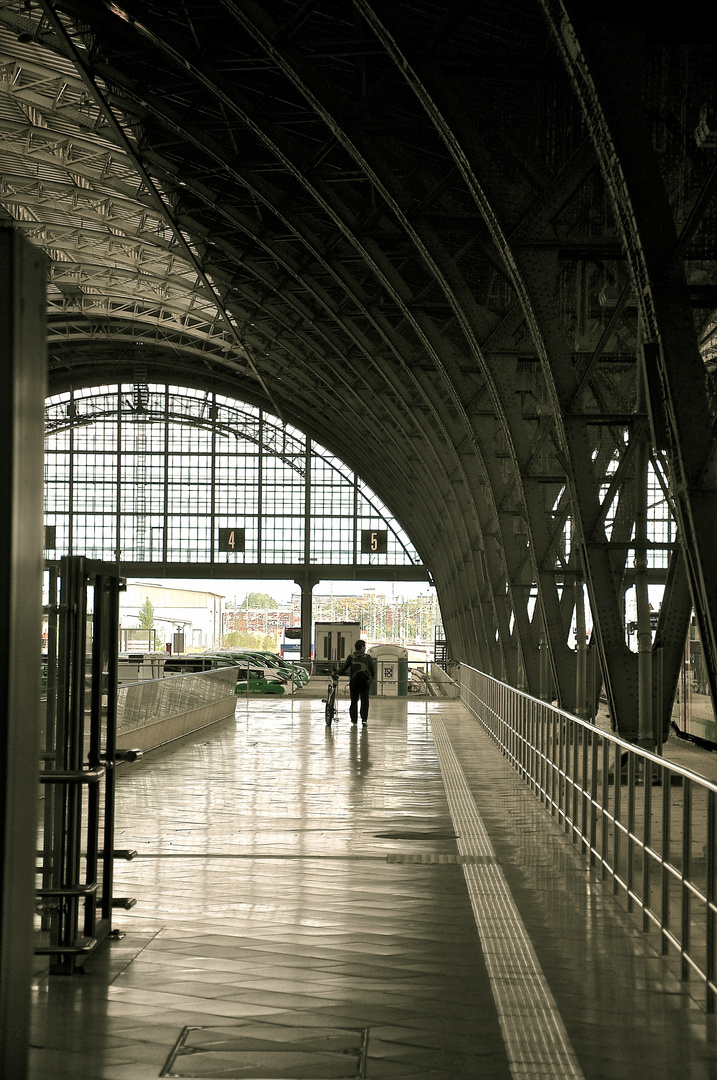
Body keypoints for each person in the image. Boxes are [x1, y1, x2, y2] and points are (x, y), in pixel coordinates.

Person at [338, 639, 376, 727]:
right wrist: (371, 679)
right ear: (362, 647)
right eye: (364, 646)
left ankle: (354, 721)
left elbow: (343, 669)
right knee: (365, 701)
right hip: (365, 682)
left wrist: (336, 673)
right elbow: (372, 670)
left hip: (354, 682)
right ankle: (364, 720)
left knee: (354, 701)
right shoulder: (367, 657)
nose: (365, 648)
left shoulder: (351, 656)